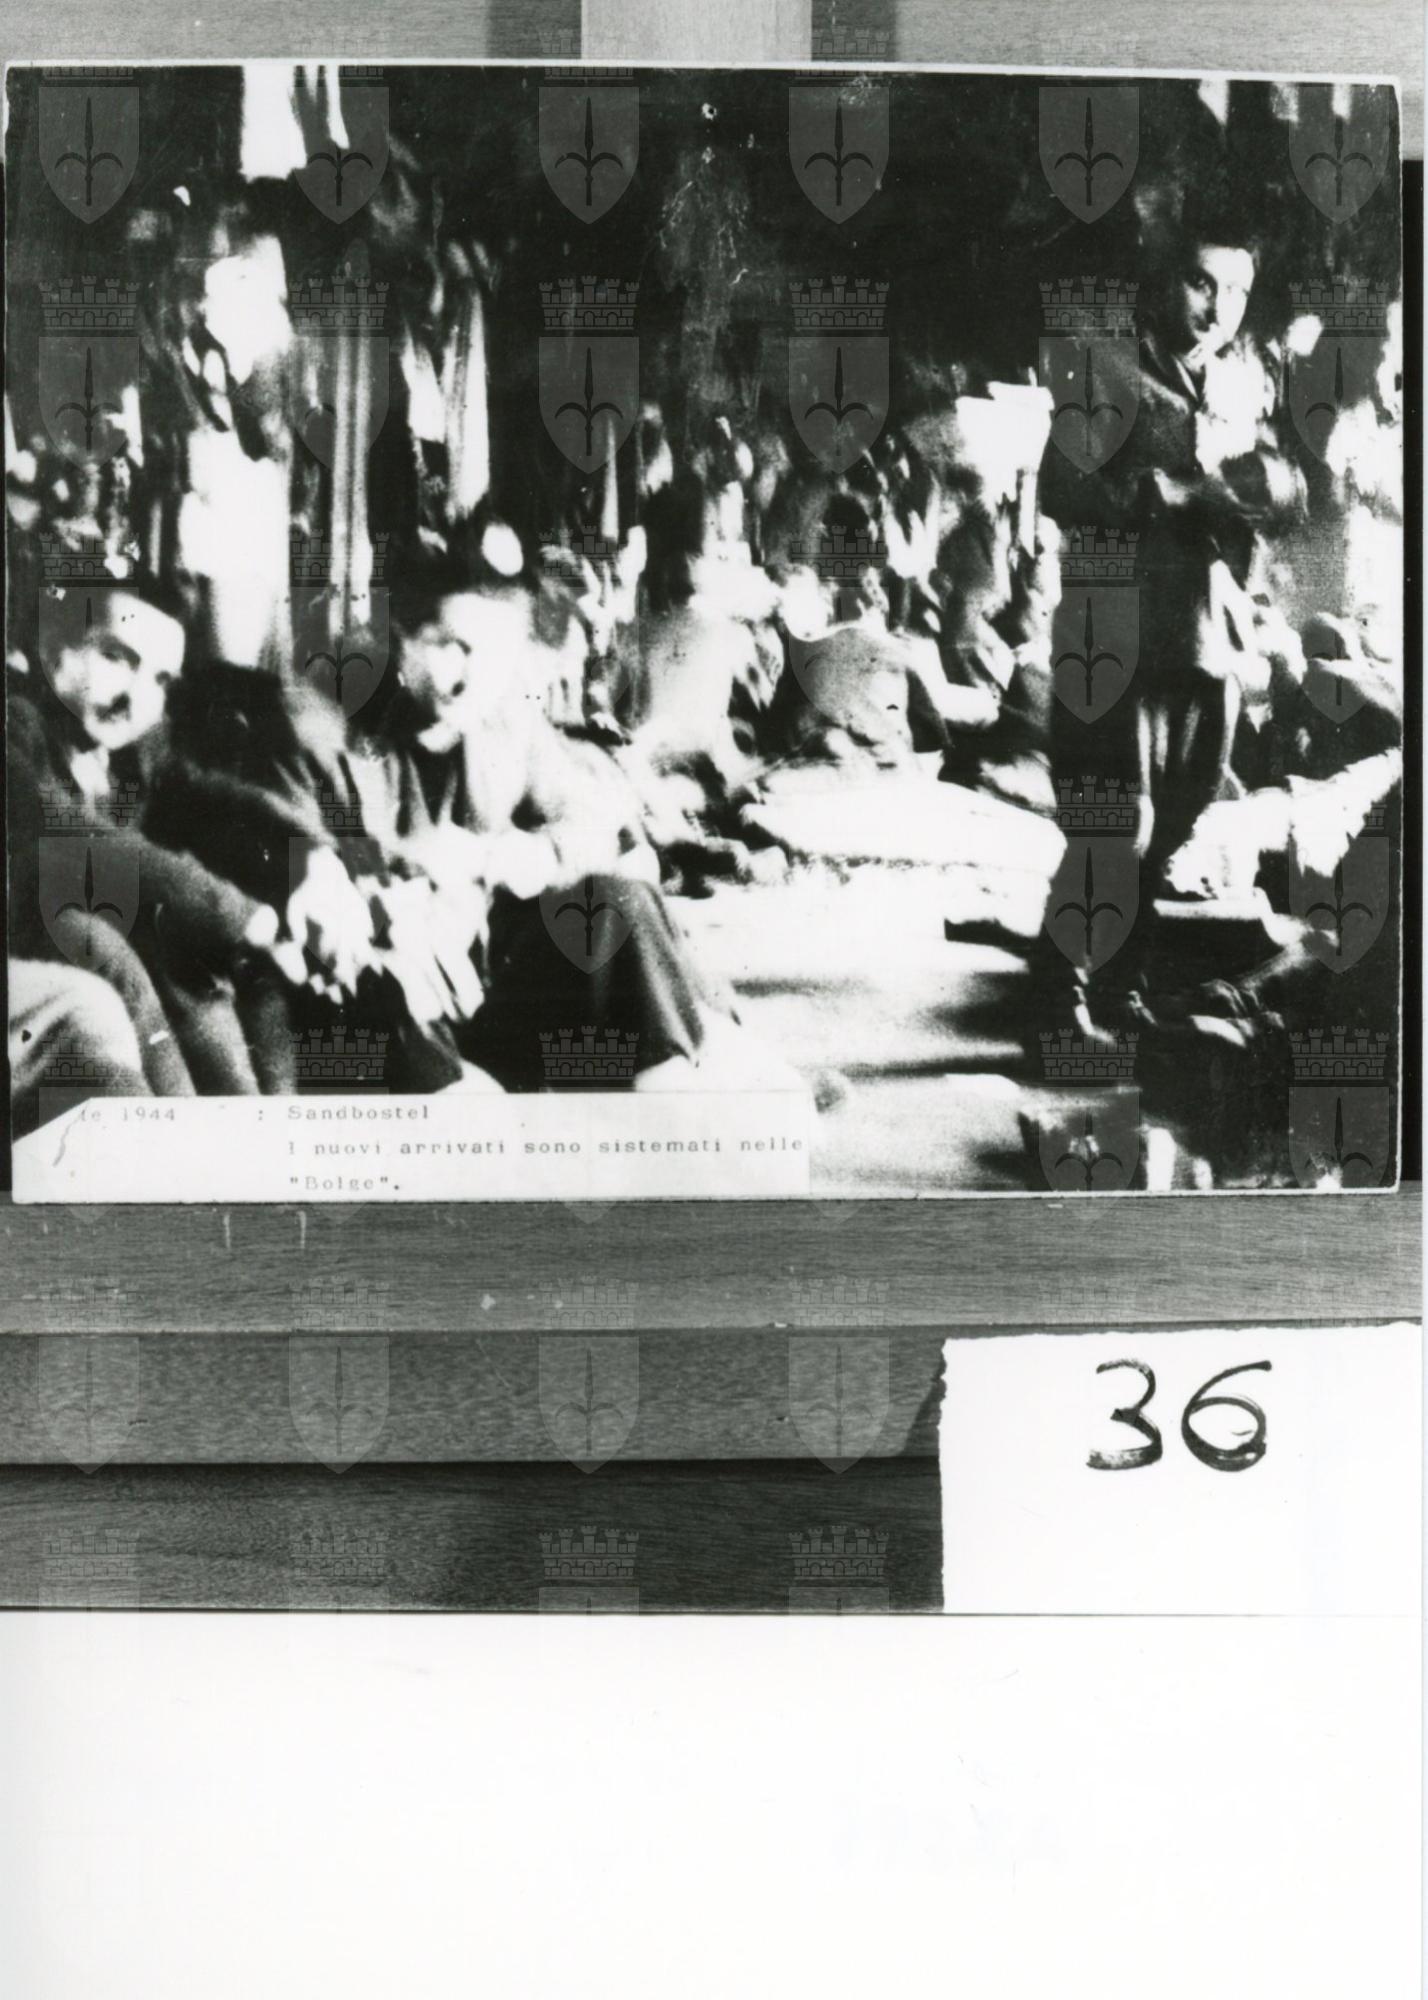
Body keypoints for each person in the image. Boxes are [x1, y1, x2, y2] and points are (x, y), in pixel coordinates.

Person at [7, 581, 298, 1097]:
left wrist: (315, 860)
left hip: (104, 944)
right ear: (56, 652)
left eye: (160, 680)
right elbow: (67, 829)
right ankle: (176, 1132)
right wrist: (236, 913)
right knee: (106, 936)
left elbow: (225, 800)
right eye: (117, 658)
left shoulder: (135, 756)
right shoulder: (18, 727)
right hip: (31, 940)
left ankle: (266, 1126)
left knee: (242, 961)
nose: (135, 699)